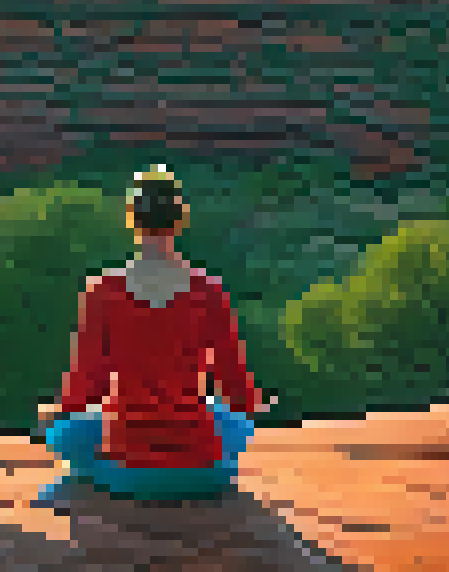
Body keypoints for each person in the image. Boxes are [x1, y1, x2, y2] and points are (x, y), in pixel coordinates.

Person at [32, 164, 273, 507]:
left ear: (131, 218)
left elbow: (85, 387)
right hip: (203, 470)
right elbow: (236, 388)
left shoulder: (106, 290)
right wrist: (249, 408)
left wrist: (57, 412)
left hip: (128, 469)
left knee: (63, 434)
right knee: (230, 420)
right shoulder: (207, 289)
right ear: (179, 220)